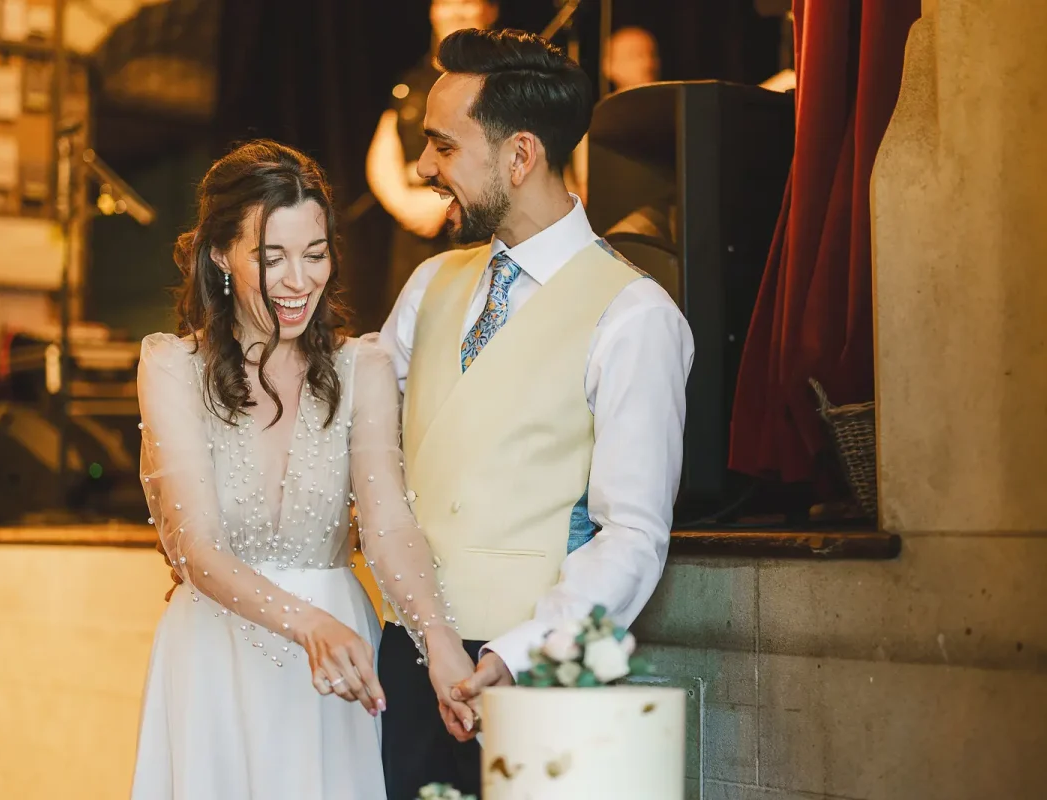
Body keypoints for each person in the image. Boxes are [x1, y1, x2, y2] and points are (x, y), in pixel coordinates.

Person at [375, 28, 694, 799]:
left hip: (526, 677)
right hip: (404, 657)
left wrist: (518, 655)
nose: (423, 171)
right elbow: (360, 444)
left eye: (442, 148)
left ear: (519, 157)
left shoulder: (634, 316)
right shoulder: (425, 287)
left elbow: (634, 535)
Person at [130, 140, 476, 800]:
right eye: (273, 256)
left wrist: (439, 643)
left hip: (343, 664)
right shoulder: (172, 367)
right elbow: (197, 550)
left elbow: (388, 523)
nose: (299, 280)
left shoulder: (361, 368)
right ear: (221, 255)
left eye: (315, 255)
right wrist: (310, 624)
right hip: (214, 656)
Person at [365, 0, 499, 321]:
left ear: (490, 12)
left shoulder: (502, 84)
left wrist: (446, 203)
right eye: (447, 4)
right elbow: (382, 155)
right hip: (415, 234)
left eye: (467, 4)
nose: (456, 12)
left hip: (475, 231)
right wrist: (406, 205)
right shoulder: (410, 83)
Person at [567, 25, 662, 202]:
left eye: (652, 55)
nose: (648, 64)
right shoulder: (595, 123)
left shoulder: (670, 117)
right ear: (609, 66)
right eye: (636, 55)